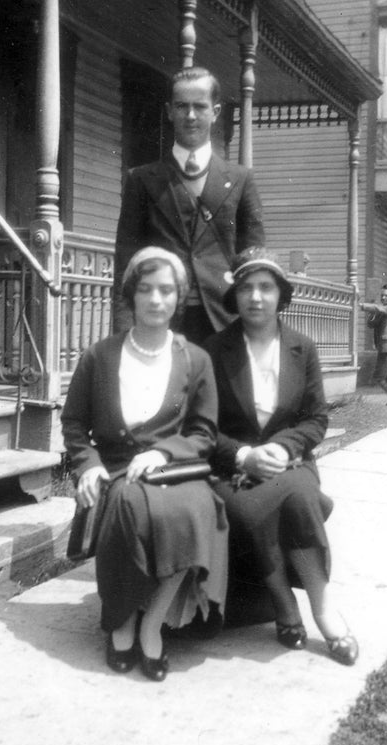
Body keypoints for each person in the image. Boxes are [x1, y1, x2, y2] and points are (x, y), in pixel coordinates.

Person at [61, 247, 228, 681]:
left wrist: (163, 451)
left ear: (178, 298)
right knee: (128, 505)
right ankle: (121, 621)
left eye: (167, 291)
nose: (156, 299)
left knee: (195, 510)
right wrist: (88, 465)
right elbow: (75, 424)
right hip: (117, 467)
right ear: (131, 294)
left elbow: (204, 432)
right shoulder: (100, 356)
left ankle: (152, 622)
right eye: (147, 289)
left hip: (173, 468)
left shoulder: (195, 359)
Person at [204, 247, 359, 666]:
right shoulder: (214, 351)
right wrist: (244, 455)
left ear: (281, 295)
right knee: (256, 509)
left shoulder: (301, 348)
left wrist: (282, 447)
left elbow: (316, 419)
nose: (256, 297)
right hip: (235, 471)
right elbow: (200, 429)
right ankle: (284, 603)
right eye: (247, 288)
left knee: (299, 495)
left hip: (291, 463)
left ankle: (322, 610)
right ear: (234, 297)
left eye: (266, 287)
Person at [113, 66, 265, 344]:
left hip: (224, 324)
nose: (191, 116)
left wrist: (257, 331)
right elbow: (126, 264)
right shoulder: (142, 180)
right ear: (170, 111)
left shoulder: (241, 180)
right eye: (182, 106)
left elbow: (253, 263)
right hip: (161, 323)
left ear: (215, 112)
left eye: (200, 106)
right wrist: (124, 335)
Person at [360, 285, 387, 408]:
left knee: (381, 377)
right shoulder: (382, 309)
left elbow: (378, 309)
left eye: (386, 295)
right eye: (382, 295)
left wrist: (362, 306)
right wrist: (372, 311)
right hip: (386, 347)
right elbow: (371, 324)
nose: (383, 297)